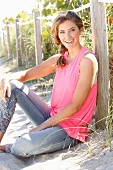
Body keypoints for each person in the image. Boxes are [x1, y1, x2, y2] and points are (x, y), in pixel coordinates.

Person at [0, 10, 98, 157]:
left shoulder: (87, 60)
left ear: (81, 29)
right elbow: (26, 74)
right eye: (62, 32)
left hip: (70, 131)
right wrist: (5, 79)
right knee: (12, 86)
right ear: (57, 35)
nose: (68, 37)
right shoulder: (60, 59)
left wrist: (41, 127)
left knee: (23, 144)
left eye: (72, 30)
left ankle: (9, 147)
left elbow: (75, 106)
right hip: (52, 118)